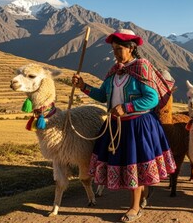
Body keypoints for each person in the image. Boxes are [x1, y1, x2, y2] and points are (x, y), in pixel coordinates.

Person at [72, 29, 176, 222]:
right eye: (113, 49)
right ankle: (143, 195)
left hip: (138, 126)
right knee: (128, 165)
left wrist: (127, 107)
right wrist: (84, 86)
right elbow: (103, 96)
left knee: (134, 165)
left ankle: (134, 208)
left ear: (131, 48)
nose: (115, 53)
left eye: (119, 49)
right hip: (116, 126)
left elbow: (152, 99)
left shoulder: (142, 67)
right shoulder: (114, 72)